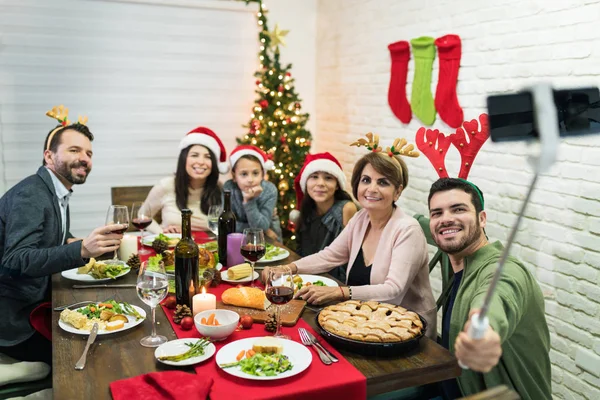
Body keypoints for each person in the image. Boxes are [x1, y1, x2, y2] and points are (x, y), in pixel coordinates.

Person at [263, 136, 437, 337]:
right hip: (363, 322)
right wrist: (288, 268)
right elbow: (329, 256)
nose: (371, 189)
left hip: (407, 328)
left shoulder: (407, 229)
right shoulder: (362, 218)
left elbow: (393, 291)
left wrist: (341, 292)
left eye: (383, 182)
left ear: (397, 192)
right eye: (366, 180)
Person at [0, 106, 126, 364]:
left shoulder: (56, 190)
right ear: (49, 156)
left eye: (89, 153)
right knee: (97, 352)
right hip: (16, 322)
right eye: (74, 150)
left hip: (39, 301)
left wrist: (87, 242)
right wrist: (81, 250)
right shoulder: (31, 194)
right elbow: (16, 259)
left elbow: (55, 237)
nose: (85, 158)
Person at [428, 178, 551, 399]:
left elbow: (494, 299)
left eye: (458, 209)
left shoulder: (503, 270)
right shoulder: (462, 263)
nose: (446, 219)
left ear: (482, 218)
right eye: (437, 213)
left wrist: (482, 333)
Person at [141, 127, 228, 233]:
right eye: (194, 155)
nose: (201, 161)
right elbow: (143, 216)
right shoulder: (166, 185)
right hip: (173, 246)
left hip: (208, 247)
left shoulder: (220, 188)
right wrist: (162, 233)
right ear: (184, 159)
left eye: (208, 157)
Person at [288, 152, 357, 281]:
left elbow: (350, 257)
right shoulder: (306, 209)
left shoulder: (346, 208)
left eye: (328, 178)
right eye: (314, 177)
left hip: (336, 281)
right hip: (308, 275)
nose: (320, 183)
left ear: (337, 185)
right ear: (306, 183)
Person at [223, 145, 282, 242]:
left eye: (255, 173)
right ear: (234, 176)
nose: (250, 180)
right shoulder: (229, 188)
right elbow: (226, 224)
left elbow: (261, 227)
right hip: (236, 241)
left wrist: (249, 201)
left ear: (263, 174)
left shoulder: (269, 190)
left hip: (267, 242)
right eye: (244, 174)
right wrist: (265, 230)